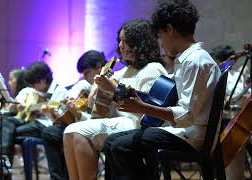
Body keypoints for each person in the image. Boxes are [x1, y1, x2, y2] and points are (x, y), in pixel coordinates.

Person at [102, 0, 221, 179]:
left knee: (122, 146)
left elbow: (186, 116)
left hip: (192, 136)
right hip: (183, 130)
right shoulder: (187, 59)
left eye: (160, 36)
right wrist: (139, 98)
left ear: (170, 29)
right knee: (111, 141)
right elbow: (174, 101)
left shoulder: (196, 61)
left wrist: (142, 108)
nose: (161, 43)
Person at [63, 19, 167, 180]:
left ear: (139, 42)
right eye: (119, 41)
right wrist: (96, 86)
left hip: (137, 123)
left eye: (125, 41)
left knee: (79, 132)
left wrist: (110, 87)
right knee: (69, 131)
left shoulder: (153, 68)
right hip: (121, 121)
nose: (120, 45)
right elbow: (104, 81)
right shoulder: (126, 70)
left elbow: (147, 110)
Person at [41, 50, 106, 180]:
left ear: (99, 68)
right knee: (49, 132)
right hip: (78, 123)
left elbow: (99, 120)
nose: (84, 77)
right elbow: (71, 101)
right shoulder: (85, 85)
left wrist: (77, 113)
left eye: (87, 73)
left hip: (96, 127)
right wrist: (66, 104)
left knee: (67, 133)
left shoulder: (105, 87)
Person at [211, 44, 246, 180]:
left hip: (236, 124)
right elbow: (223, 67)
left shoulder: (238, 76)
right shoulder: (218, 72)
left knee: (236, 168)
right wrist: (236, 56)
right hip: (221, 123)